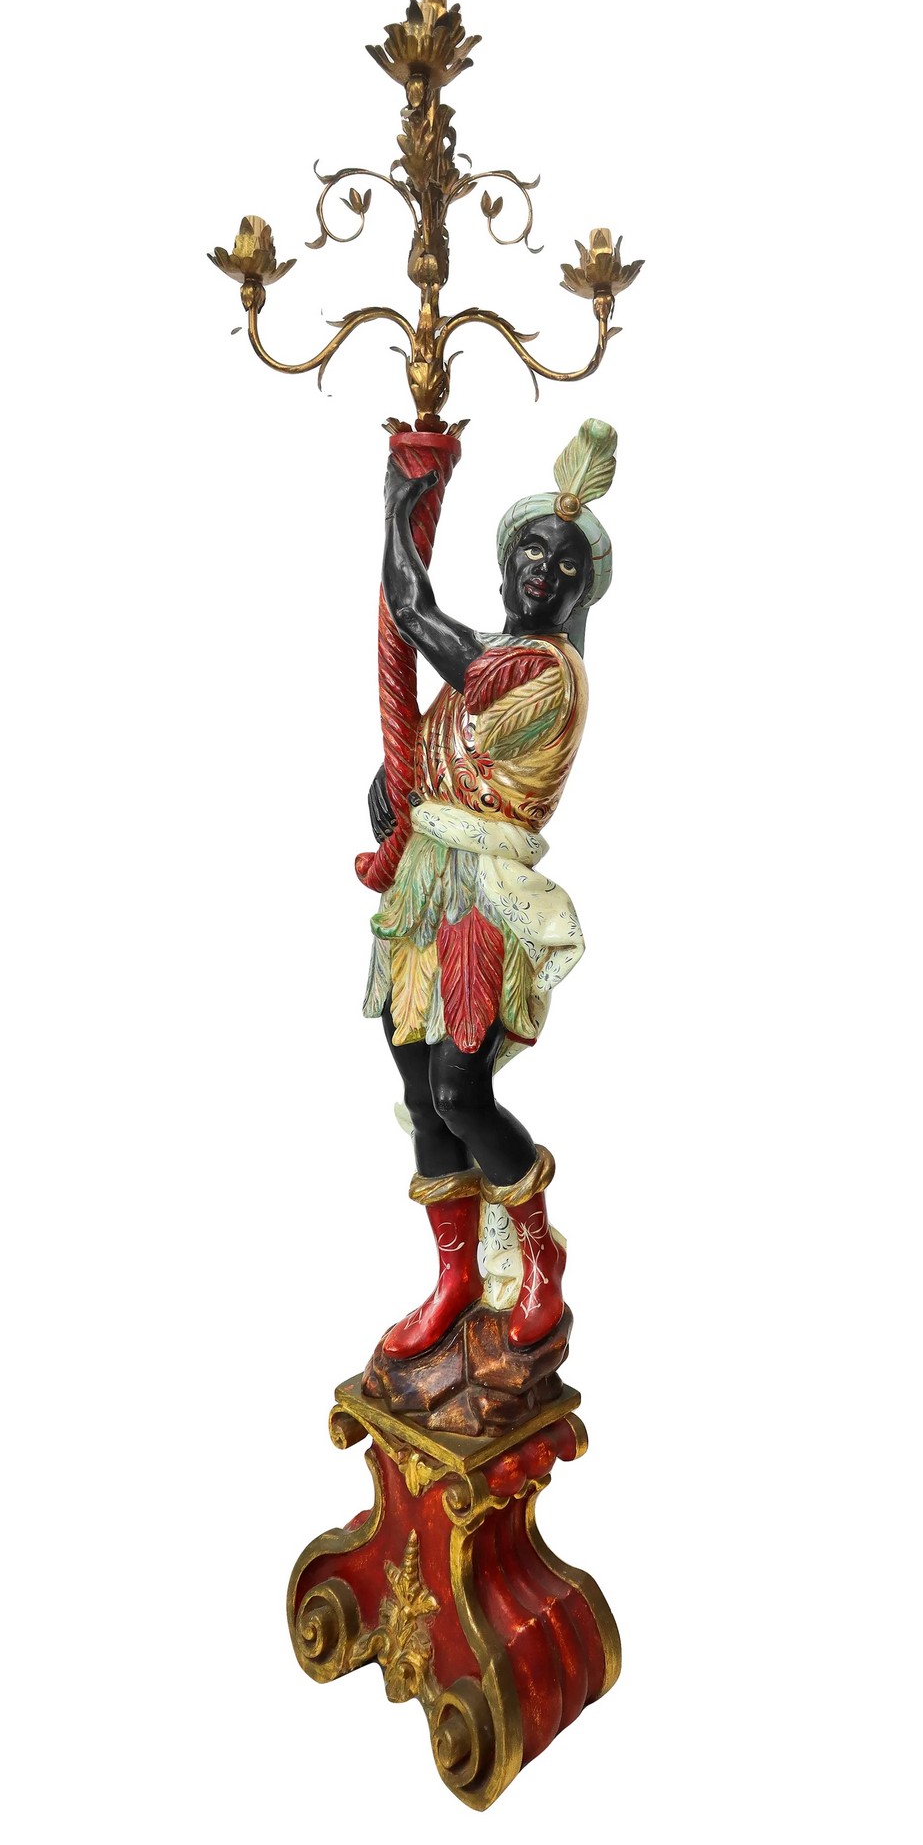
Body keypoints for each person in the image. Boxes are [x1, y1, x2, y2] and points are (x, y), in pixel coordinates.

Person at [361, 419, 619, 1361]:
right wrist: (399, 787)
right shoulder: (488, 667)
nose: (545, 573)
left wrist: (401, 509)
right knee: (416, 1081)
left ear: (581, 595)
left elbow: (413, 611)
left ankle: (540, 1259)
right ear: (507, 567)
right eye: (532, 555)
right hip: (426, 887)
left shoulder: (539, 670)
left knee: (460, 1089)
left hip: (483, 896)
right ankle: (455, 1276)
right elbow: (444, 755)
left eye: (566, 567)